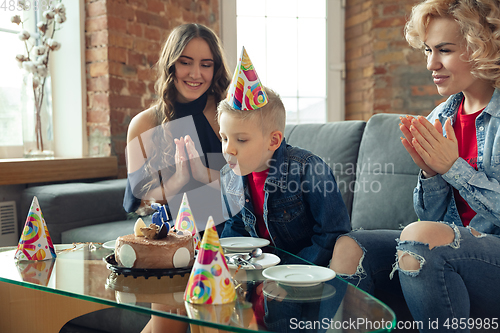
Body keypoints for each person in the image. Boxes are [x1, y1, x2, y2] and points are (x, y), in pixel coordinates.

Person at [330, 0, 500, 331]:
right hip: (452, 255)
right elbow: (434, 223)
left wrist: (453, 167)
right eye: (427, 50)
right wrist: (431, 174)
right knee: (350, 246)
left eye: (444, 50)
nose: (431, 63)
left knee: (418, 239)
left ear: (481, 47)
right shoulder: (440, 118)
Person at [218, 48, 350, 267]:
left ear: (273, 141)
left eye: (241, 140)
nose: (228, 150)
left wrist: (286, 272)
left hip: (304, 271)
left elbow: (332, 234)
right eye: (224, 138)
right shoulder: (229, 176)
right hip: (259, 269)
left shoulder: (308, 169)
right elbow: (236, 230)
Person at [123, 23, 230, 230]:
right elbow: (140, 203)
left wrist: (204, 173)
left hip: (235, 227)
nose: (195, 74)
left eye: (206, 64)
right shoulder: (143, 124)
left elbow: (251, 181)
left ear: (215, 69)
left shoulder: (228, 113)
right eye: (185, 62)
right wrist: (177, 181)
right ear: (170, 65)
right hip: (176, 232)